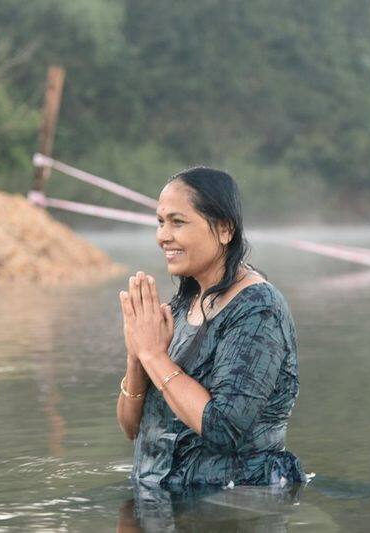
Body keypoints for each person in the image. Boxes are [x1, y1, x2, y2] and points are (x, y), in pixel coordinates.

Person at [115, 166, 305, 488]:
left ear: (224, 229)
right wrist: (138, 357)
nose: (163, 236)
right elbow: (132, 428)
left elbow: (223, 427)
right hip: (160, 493)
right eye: (160, 222)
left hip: (234, 502)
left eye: (178, 222)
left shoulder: (258, 310)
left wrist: (154, 356)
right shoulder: (181, 304)